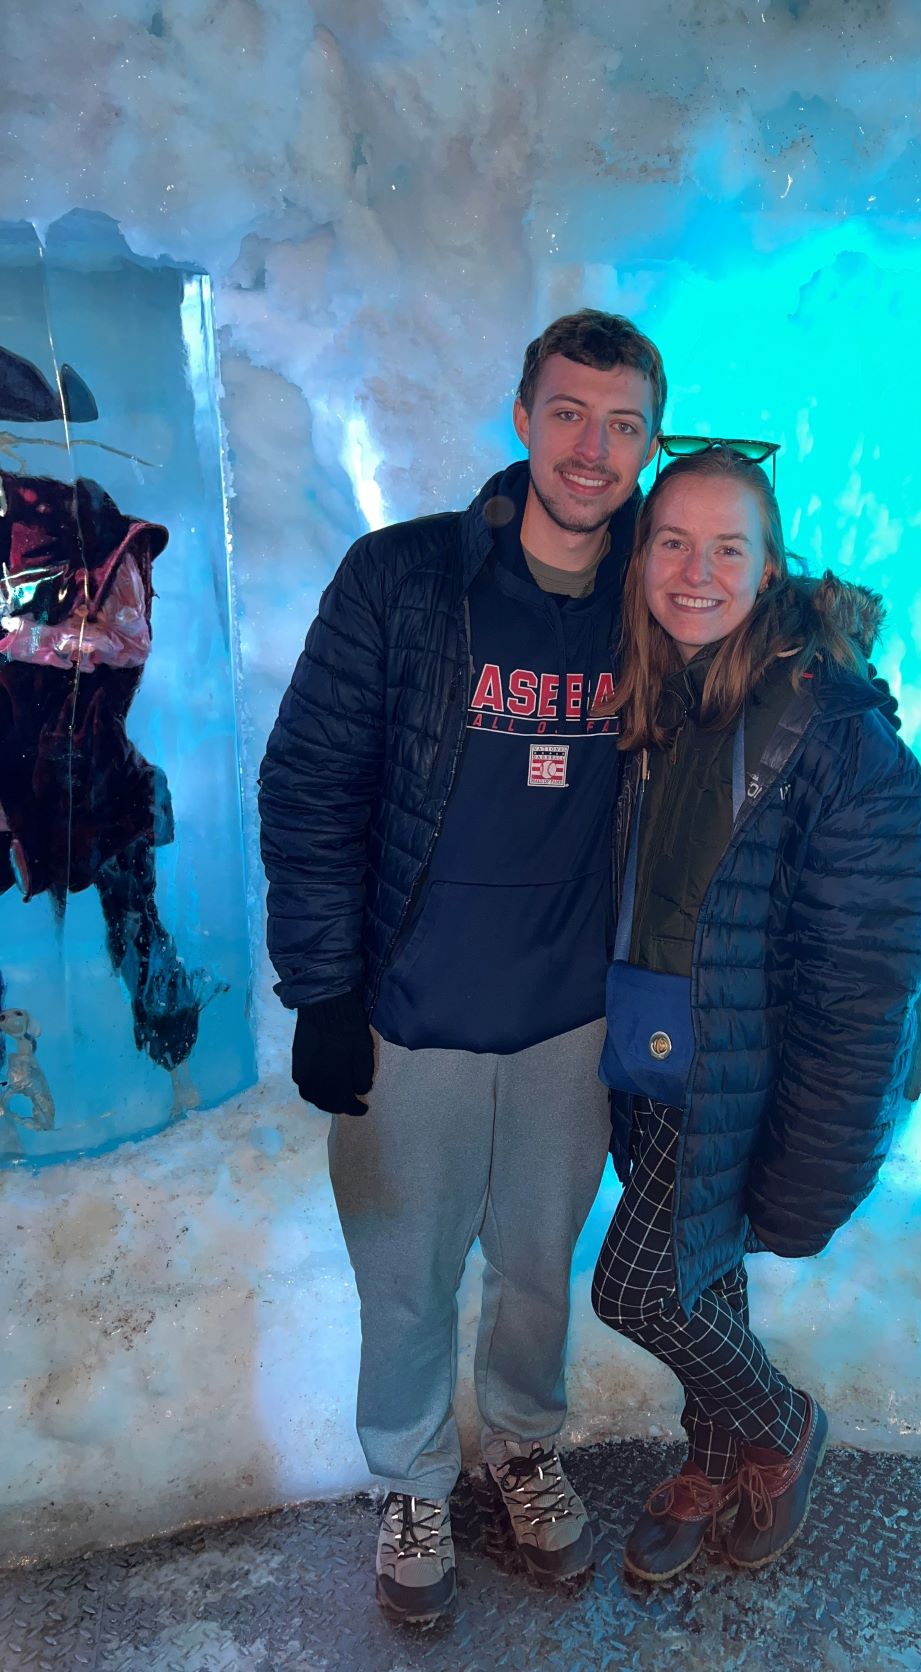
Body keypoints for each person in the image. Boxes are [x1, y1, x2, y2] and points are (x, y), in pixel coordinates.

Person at [258, 310, 666, 1624]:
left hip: (567, 1025)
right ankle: (413, 1479)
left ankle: (526, 1448)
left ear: (649, 441)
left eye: (620, 425)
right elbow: (311, 783)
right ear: (520, 416)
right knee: (406, 1270)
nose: (589, 450)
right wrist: (324, 991)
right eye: (566, 413)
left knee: (538, 1265)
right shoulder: (405, 581)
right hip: (409, 1019)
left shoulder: (656, 606)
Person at [589, 445, 921, 1582]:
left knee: (637, 1287)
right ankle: (712, 1452)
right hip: (651, 1045)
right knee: (701, 1277)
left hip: (740, 1076)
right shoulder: (665, 690)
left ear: (770, 562)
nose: (696, 571)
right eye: (672, 542)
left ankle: (779, 1425)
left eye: (727, 547)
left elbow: (867, 973)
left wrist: (821, 1144)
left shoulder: (835, 730)